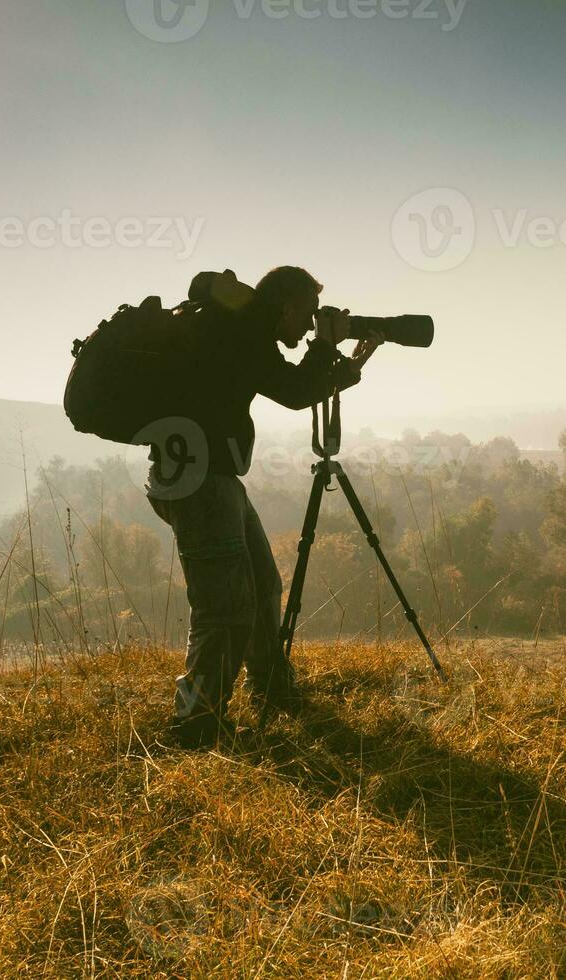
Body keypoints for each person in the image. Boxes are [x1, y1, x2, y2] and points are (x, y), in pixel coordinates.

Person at [146, 266, 380, 749]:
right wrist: (327, 348)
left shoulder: (239, 329)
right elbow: (295, 392)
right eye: (308, 316)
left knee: (264, 585)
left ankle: (270, 687)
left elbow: (293, 385)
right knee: (222, 608)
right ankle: (196, 724)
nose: (309, 327)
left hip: (208, 476)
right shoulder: (242, 332)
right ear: (287, 306)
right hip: (200, 480)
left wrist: (348, 363)